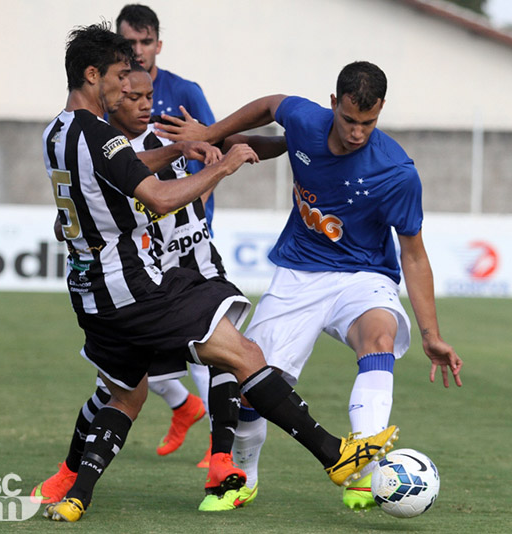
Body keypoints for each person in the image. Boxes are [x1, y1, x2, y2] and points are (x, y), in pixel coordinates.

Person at [40, 24, 399, 522]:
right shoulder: (100, 134)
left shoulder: (57, 132)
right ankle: (334, 455)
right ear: (91, 75)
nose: (127, 86)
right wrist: (224, 165)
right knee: (242, 353)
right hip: (135, 284)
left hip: (91, 293)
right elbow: (157, 197)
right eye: (121, 77)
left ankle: (76, 496)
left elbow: (123, 169)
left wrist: (176, 149)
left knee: (125, 395)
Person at [157, 60, 463, 511]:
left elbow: (414, 255)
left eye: (368, 123)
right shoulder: (304, 120)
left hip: (364, 275)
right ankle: (244, 477)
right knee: (251, 382)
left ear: (380, 110)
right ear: (333, 103)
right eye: (349, 120)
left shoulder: (397, 173)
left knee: (379, 337)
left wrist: (431, 334)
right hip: (298, 273)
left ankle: (363, 473)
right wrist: (212, 133)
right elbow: (269, 105)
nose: (357, 132)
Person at [32, 61, 287, 512]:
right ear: (111, 97)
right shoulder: (103, 148)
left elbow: (235, 144)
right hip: (146, 280)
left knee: (226, 356)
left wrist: (296, 141)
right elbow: (81, 214)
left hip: (195, 265)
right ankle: (71, 474)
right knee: (114, 390)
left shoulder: (169, 133)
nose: (143, 104)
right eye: (132, 96)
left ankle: (221, 461)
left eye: (148, 96)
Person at [116, 4, 218, 465]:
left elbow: (214, 146)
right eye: (129, 42)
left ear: (158, 44)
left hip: (185, 238)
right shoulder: (109, 96)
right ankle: (184, 406)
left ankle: (220, 442)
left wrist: (196, 206)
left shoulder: (183, 92)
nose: (138, 50)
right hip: (136, 241)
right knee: (127, 346)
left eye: (145, 42)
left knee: (203, 339)